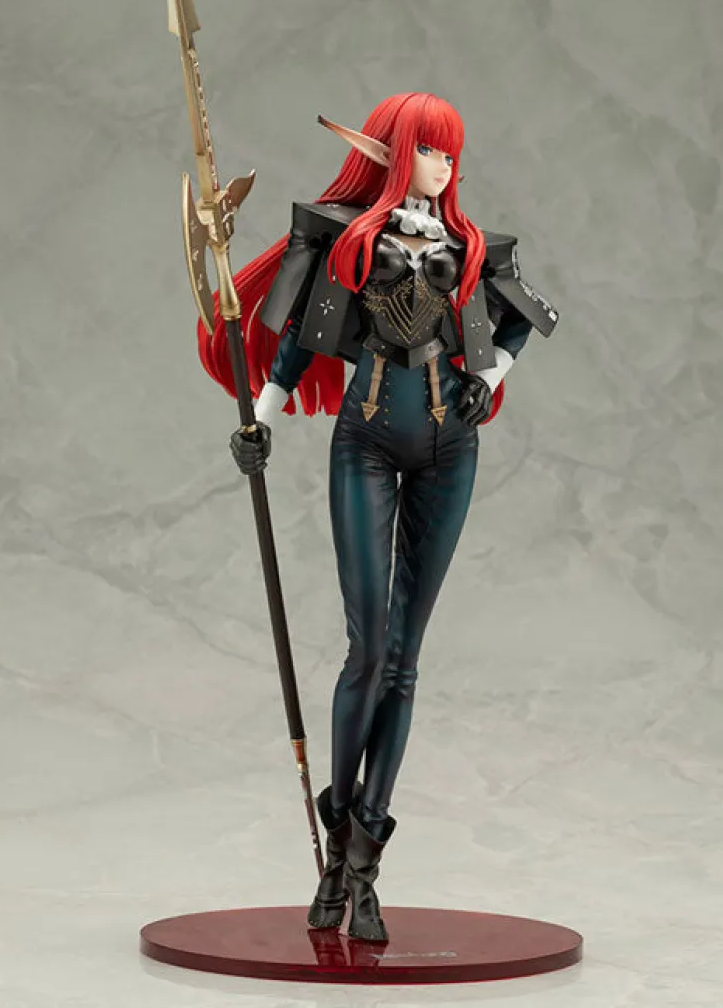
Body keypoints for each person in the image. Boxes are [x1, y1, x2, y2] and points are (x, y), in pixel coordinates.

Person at [199, 92, 558, 941]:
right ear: (397, 153)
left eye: (450, 153)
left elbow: (526, 319)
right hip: (363, 443)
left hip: (450, 449)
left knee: (404, 659)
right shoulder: (351, 240)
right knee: (367, 650)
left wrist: (489, 377)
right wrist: (261, 418)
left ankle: (360, 862)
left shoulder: (470, 246)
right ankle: (336, 852)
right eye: (429, 150)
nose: (444, 166)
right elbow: (299, 338)